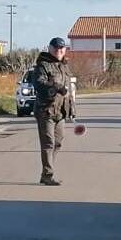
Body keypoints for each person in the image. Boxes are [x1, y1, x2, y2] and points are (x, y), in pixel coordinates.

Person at [32, 37, 73, 186]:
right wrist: (55, 86)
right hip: (45, 110)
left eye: (61, 49)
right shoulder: (43, 65)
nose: (59, 51)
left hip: (61, 112)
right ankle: (48, 175)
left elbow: (69, 90)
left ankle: (47, 171)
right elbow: (39, 83)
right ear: (50, 48)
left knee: (58, 143)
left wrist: (71, 109)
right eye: (56, 48)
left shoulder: (64, 66)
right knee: (48, 143)